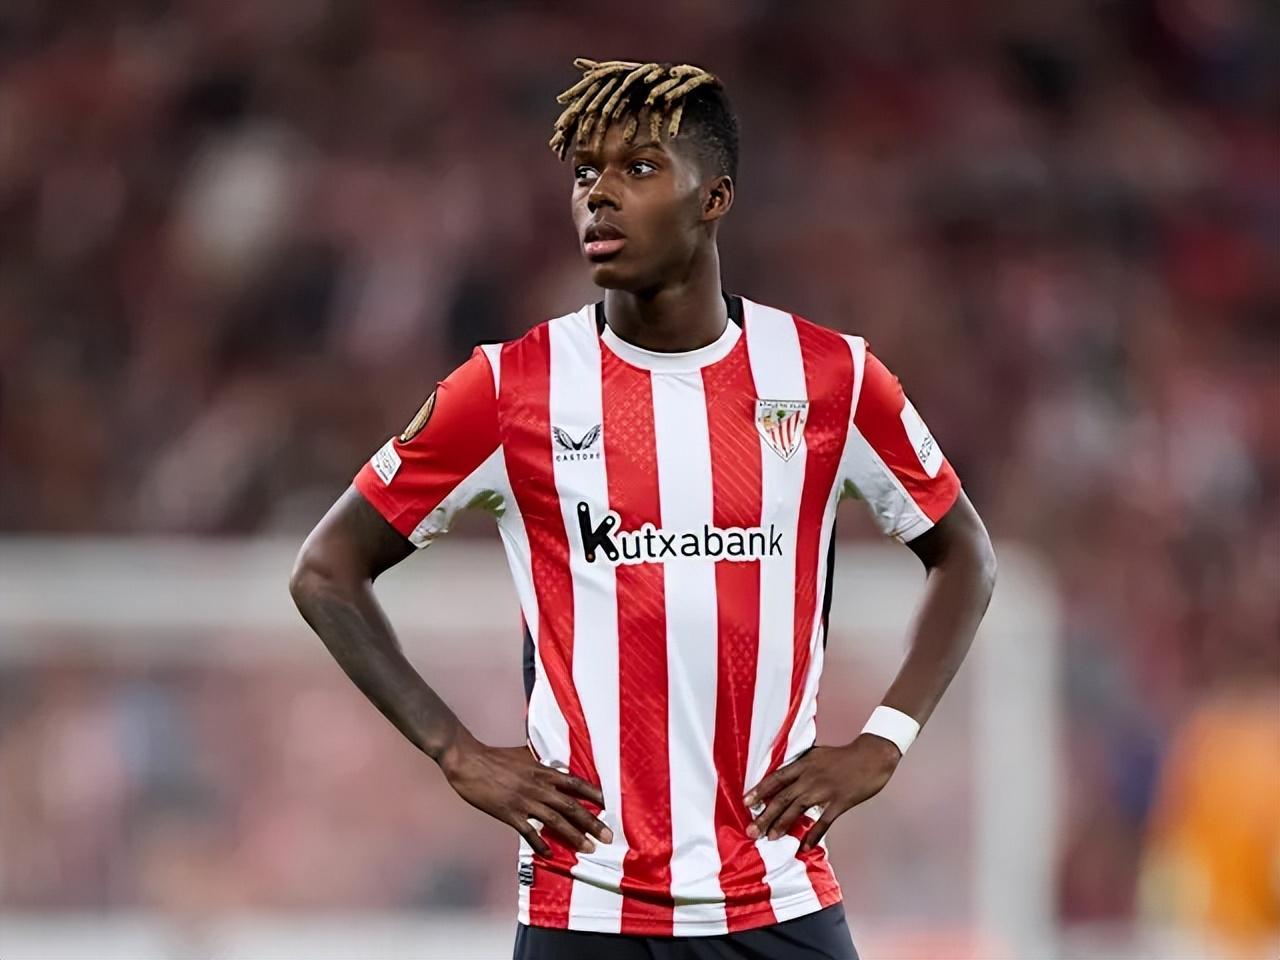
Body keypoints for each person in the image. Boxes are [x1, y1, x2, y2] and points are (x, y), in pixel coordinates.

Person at [290, 57, 997, 960]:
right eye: (586, 172)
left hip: (775, 898)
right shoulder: (510, 389)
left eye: (639, 168)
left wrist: (884, 742)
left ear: (715, 198)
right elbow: (325, 571)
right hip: (585, 911)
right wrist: (455, 751)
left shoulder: (830, 378)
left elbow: (964, 553)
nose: (600, 195)